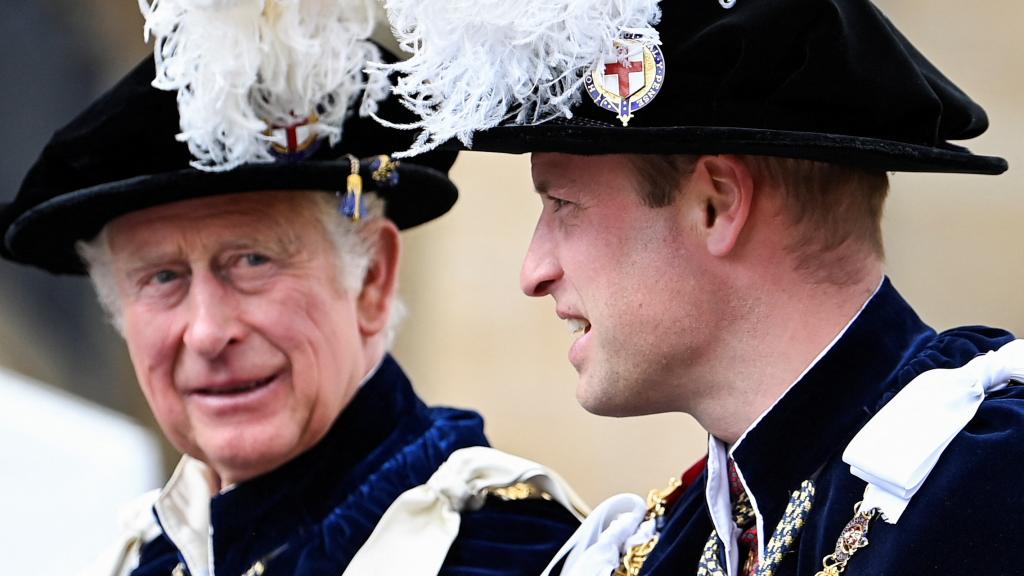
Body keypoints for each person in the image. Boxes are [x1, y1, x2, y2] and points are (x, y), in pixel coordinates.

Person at [371, 0, 1024, 574]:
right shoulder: (668, 544)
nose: (533, 271)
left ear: (715, 205)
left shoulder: (990, 485)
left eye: (564, 203)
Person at [0, 2, 583, 575]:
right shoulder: (141, 560)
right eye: (162, 278)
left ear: (373, 278)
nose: (207, 332)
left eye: (252, 260)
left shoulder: (506, 551)